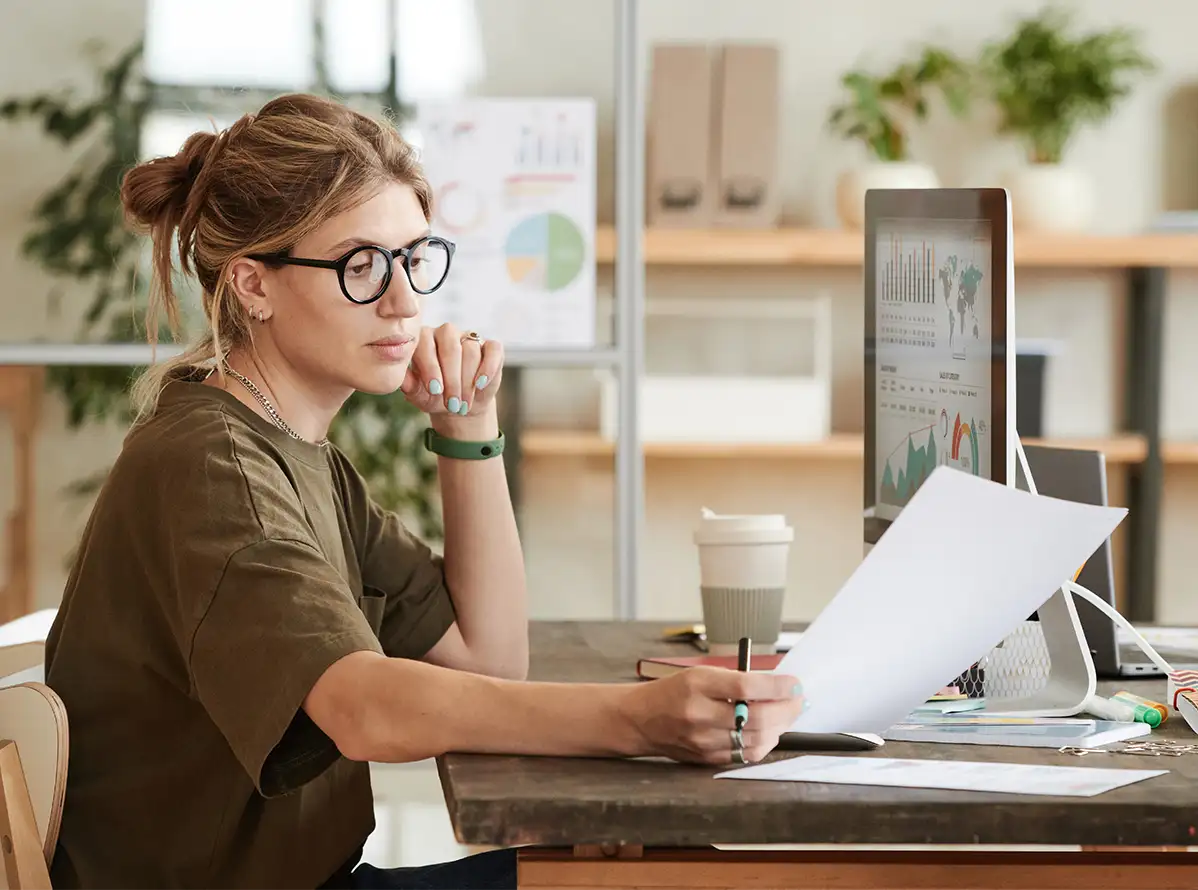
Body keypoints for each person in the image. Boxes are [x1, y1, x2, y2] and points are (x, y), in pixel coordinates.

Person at [43, 93, 806, 890]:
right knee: (680, 878)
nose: (405, 300)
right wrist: (636, 718)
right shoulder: (212, 467)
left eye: (415, 258)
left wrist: (468, 423)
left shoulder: (298, 454)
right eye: (361, 266)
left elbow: (489, 658)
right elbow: (363, 708)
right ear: (252, 285)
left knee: (671, 869)